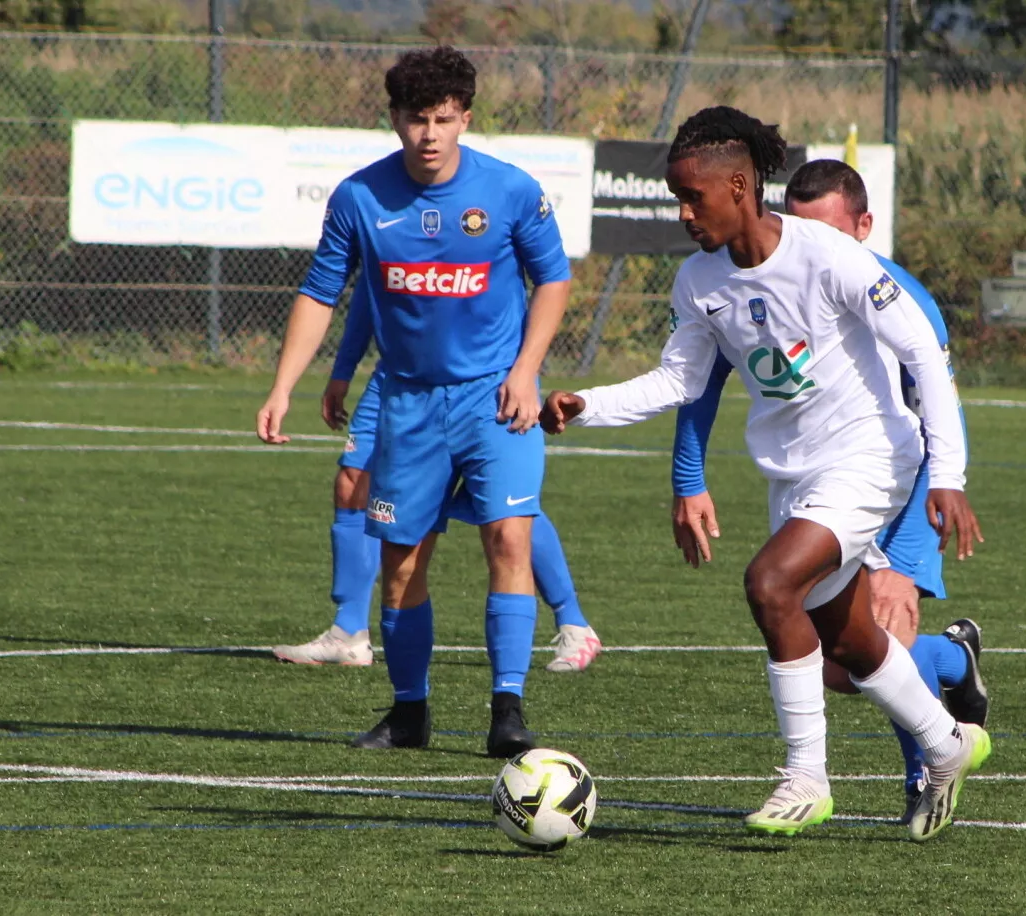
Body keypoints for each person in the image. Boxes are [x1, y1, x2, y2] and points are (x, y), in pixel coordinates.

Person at [541, 106, 989, 842]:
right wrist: (582, 404)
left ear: (742, 187)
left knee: (769, 583)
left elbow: (922, 356)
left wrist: (950, 474)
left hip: (871, 456)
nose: (684, 214)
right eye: (677, 200)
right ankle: (947, 745)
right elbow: (679, 381)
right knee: (845, 642)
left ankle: (806, 776)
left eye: (694, 198)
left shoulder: (832, 258)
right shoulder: (699, 281)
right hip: (796, 478)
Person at [257, 46, 572, 758]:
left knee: (509, 538)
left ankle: (507, 710)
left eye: (442, 118)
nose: (428, 134)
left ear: (465, 118)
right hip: (407, 404)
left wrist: (527, 369)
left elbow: (553, 279)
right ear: (393, 119)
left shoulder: (511, 191)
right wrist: (284, 386)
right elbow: (320, 292)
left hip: (494, 399)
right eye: (414, 119)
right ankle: (409, 713)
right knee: (402, 560)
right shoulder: (359, 198)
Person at [668, 158, 989, 823]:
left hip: (892, 486)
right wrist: (688, 476)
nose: (803, 243)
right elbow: (702, 381)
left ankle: (918, 778)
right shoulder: (746, 275)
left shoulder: (889, 295)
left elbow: (932, 416)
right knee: (839, 658)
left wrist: (905, 557)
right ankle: (950, 682)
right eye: (795, 223)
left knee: (799, 600)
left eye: (828, 231)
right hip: (812, 482)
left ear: (864, 227)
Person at [269, 283, 602, 673]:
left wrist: (524, 367)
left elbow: (547, 278)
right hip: (400, 374)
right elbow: (368, 290)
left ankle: (574, 622)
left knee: (499, 507)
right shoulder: (372, 220)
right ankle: (348, 631)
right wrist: (342, 370)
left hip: (479, 375)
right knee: (352, 483)